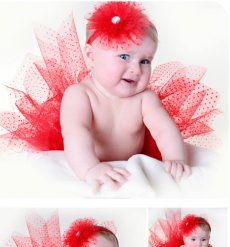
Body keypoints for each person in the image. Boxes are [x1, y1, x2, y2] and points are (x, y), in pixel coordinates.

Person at [61, 1, 191, 191]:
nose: (136, 69)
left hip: (129, 163)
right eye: (124, 57)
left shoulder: (145, 98)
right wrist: (90, 168)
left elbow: (164, 130)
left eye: (145, 61)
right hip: (89, 160)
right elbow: (76, 133)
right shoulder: (80, 94)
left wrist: (176, 158)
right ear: (91, 57)